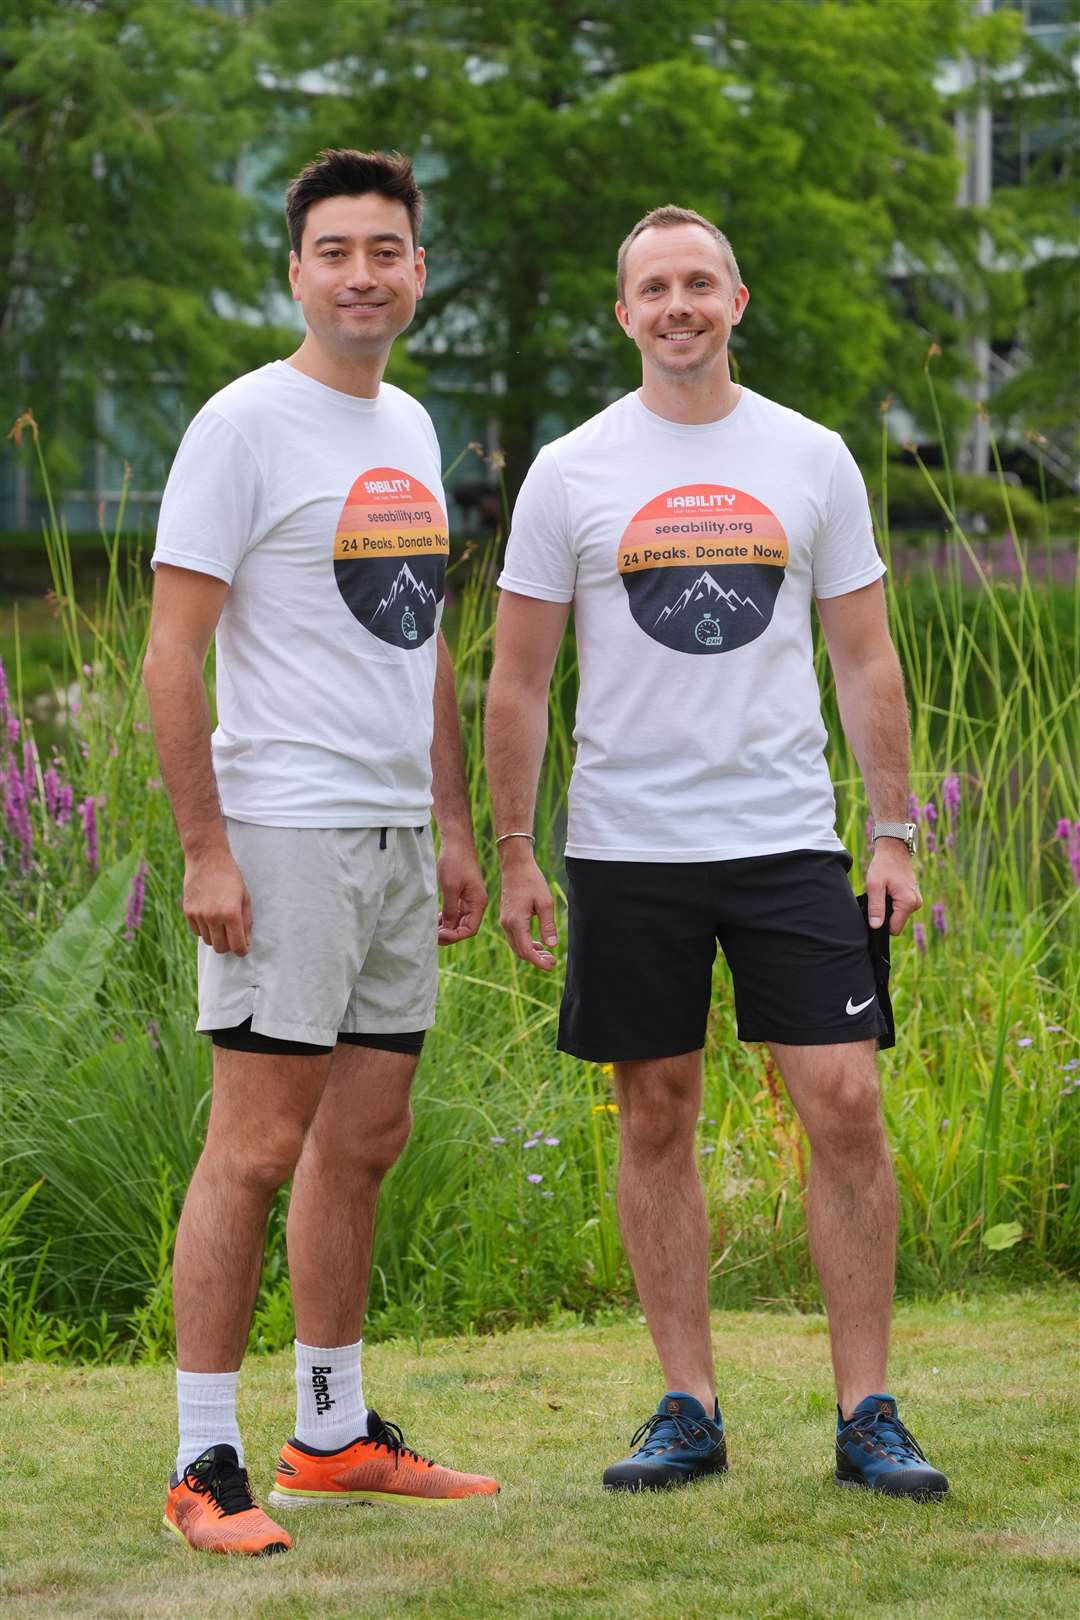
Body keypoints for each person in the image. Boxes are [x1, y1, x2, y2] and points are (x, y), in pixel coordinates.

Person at [485, 205, 948, 1501]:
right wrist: (518, 850)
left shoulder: (811, 457)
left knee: (845, 1102)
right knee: (657, 1111)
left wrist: (896, 829)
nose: (678, 305)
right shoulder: (571, 470)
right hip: (629, 850)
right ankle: (688, 1404)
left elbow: (864, 657)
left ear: (738, 300)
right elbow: (519, 681)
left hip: (788, 839)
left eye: (700, 282)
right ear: (623, 311)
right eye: (654, 287)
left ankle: (869, 1412)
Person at [145, 148, 498, 1558]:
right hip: (280, 830)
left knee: (366, 1138)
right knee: (257, 1146)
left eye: (389, 250)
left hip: (394, 836)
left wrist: (457, 827)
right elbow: (172, 651)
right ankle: (201, 1461)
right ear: (295, 269)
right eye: (336, 249)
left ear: (417, 272)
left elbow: (418, 641)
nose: (364, 272)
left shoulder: (409, 425)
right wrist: (204, 848)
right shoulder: (243, 425)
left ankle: (333, 1434)